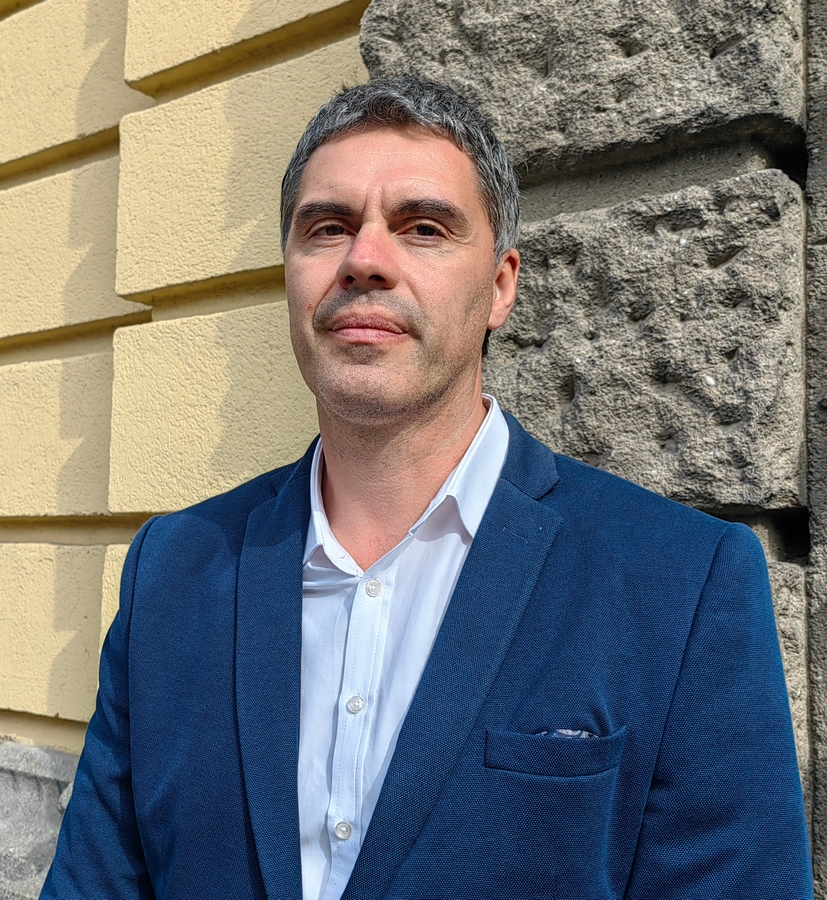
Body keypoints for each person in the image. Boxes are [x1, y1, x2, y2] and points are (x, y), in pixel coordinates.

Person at [41, 76, 812, 898]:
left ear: (501, 286)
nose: (365, 261)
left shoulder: (681, 583)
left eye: (424, 228)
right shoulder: (174, 570)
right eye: (327, 227)